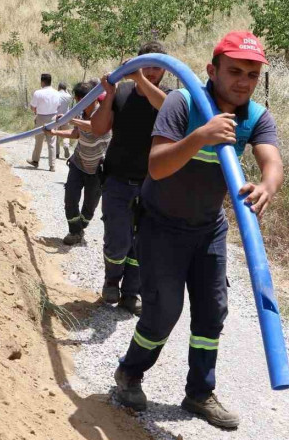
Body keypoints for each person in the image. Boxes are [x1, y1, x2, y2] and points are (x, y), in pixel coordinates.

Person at [113, 31, 283, 430]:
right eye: (235, 71)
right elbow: (157, 166)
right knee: (163, 311)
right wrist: (200, 137)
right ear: (212, 70)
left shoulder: (255, 116)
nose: (243, 81)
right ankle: (130, 373)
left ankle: (199, 392)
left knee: (212, 313)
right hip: (161, 227)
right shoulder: (182, 102)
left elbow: (271, 160)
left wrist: (267, 185)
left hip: (208, 230)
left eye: (252, 74)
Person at [91, 41, 170, 316]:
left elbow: (164, 107)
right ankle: (112, 280)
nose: (151, 72)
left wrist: (139, 79)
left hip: (152, 185)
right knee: (118, 239)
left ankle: (131, 294)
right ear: (136, 65)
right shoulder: (122, 92)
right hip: (117, 181)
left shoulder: (171, 98)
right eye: (145, 65)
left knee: (143, 243)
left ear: (165, 71)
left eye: (157, 67)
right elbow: (99, 128)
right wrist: (109, 95)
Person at [45, 81, 111, 246]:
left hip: (97, 168)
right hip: (78, 163)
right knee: (70, 198)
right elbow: (77, 133)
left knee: (90, 206)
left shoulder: (103, 113)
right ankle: (74, 231)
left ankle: (80, 227)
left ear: (92, 99)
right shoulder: (80, 114)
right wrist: (55, 131)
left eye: (81, 101)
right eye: (78, 101)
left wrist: (70, 119)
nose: (80, 104)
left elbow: (94, 127)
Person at [28, 73, 61, 171]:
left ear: (42, 81)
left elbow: (33, 107)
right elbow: (58, 105)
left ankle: (35, 161)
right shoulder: (56, 93)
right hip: (52, 118)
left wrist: (36, 111)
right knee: (52, 141)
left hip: (41, 117)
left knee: (39, 140)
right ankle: (52, 165)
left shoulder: (38, 93)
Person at [56, 82, 73, 159]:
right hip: (66, 117)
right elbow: (71, 100)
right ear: (65, 88)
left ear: (59, 87)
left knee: (56, 135)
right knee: (66, 134)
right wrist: (67, 92)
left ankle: (56, 153)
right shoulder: (68, 96)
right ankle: (66, 146)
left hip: (56, 118)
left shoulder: (55, 94)